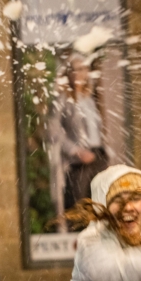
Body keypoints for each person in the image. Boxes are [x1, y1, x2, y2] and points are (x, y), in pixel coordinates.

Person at [48, 54, 109, 211]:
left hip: (98, 155)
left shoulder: (90, 98)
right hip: (79, 161)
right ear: (68, 74)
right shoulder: (62, 99)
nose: (78, 73)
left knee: (101, 203)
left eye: (82, 69)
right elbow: (53, 131)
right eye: (74, 70)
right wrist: (75, 150)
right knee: (80, 207)